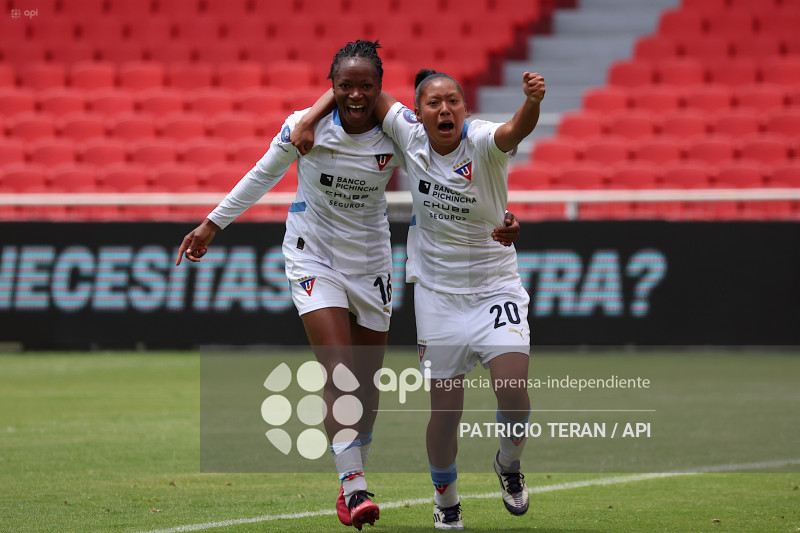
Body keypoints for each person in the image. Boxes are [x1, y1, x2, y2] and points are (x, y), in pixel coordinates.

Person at [176, 41, 520, 531]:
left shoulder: (395, 134)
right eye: (344, 86)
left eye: (366, 86)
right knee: (338, 368)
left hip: (372, 262)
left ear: (380, 91)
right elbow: (260, 175)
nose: (355, 96)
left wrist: (501, 218)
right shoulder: (303, 131)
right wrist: (212, 224)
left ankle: (355, 469)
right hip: (312, 254)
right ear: (331, 86)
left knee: (366, 388)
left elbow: (447, 176)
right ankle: (354, 487)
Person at [294, 66, 544, 530]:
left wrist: (531, 104)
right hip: (437, 295)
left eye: (453, 101)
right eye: (433, 102)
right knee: (445, 411)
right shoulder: (408, 136)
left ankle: (508, 465)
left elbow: (515, 129)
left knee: (514, 394)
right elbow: (359, 91)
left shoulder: (485, 141)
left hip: (495, 288)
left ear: (465, 109)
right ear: (418, 113)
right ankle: (446, 500)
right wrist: (313, 114)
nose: (444, 108)